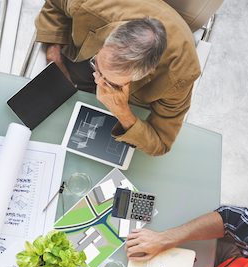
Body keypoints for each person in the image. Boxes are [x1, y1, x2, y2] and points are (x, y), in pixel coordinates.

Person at [35, 0, 201, 155]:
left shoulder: (180, 75)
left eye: (112, 83)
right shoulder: (89, 4)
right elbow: (54, 4)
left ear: (147, 73)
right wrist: (53, 53)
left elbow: (160, 143)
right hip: (81, 58)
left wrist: (123, 113)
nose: (98, 81)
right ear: (107, 41)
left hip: (128, 105)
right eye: (97, 64)